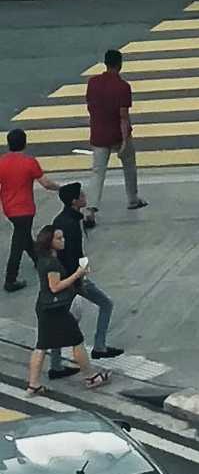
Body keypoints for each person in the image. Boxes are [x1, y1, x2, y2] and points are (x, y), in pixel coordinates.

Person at [25, 226, 108, 394]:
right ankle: (91, 377)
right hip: (56, 309)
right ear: (50, 242)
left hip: (44, 307)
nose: (63, 241)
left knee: (42, 345)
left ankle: (33, 384)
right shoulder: (52, 263)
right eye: (58, 238)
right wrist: (78, 274)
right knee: (77, 340)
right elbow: (55, 287)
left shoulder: (43, 259)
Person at [50, 182, 121, 365]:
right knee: (105, 304)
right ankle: (98, 347)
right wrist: (78, 278)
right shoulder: (70, 224)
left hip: (68, 277)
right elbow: (71, 254)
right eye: (81, 195)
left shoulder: (65, 219)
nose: (84, 197)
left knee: (61, 319)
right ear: (74, 201)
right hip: (72, 278)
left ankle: (56, 363)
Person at [85, 49, 145, 225]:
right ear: (120, 64)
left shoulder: (93, 83)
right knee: (129, 165)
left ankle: (91, 209)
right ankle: (132, 199)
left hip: (98, 133)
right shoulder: (123, 87)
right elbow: (123, 116)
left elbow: (90, 106)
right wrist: (125, 140)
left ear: (105, 63)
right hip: (118, 134)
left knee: (98, 171)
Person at [1, 129, 59, 292]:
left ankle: (38, 259)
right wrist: (60, 188)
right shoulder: (29, 162)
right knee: (18, 244)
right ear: (25, 143)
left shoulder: (2, 162)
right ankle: (10, 279)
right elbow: (46, 184)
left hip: (9, 208)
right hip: (25, 208)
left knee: (24, 236)